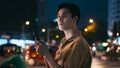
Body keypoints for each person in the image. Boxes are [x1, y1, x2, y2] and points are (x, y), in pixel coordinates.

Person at [36, 3, 92, 68]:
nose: (59, 19)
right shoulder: (64, 43)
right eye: (58, 16)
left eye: (64, 16)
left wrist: (46, 54)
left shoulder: (78, 44)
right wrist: (45, 53)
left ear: (75, 19)